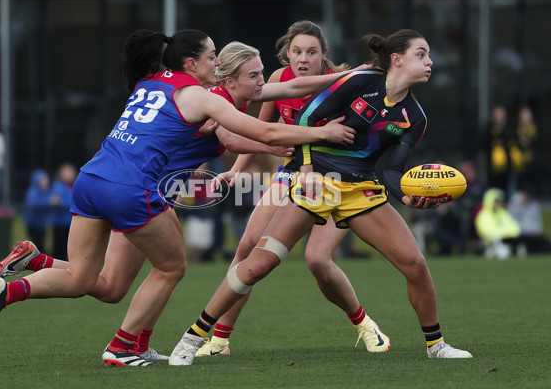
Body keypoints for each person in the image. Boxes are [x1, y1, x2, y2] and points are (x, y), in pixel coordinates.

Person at [0, 31, 356, 367]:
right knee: (171, 268)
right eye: (213, 57)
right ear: (196, 64)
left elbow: (281, 96)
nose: (261, 83)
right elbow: (264, 134)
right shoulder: (206, 98)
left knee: (96, 283)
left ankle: (18, 281)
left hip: (93, 179)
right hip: (133, 190)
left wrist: (350, 76)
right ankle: (122, 348)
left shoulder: (156, 80)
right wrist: (321, 137)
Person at [170, 29, 473, 366]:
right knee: (257, 263)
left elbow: (391, 172)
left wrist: (407, 196)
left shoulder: (415, 118)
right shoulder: (360, 82)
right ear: (397, 60)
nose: (430, 62)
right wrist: (309, 169)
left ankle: (437, 345)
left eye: (428, 55)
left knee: (415, 264)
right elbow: (307, 118)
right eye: (422, 54)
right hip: (317, 180)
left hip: (360, 189)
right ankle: (193, 337)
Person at [195, 20, 388, 358]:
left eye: (311, 52)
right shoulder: (277, 80)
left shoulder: (345, 86)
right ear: (286, 53)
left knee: (317, 260)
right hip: (291, 174)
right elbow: (262, 129)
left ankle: (365, 325)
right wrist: (236, 170)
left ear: (323, 55)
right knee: (246, 248)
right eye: (296, 51)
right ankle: (220, 341)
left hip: (334, 179)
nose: (302, 58)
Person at [475, 188, 523, 259]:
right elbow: (484, 230)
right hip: (493, 240)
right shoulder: (483, 215)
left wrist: (508, 233)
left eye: (498, 201)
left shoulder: (503, 213)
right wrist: (502, 233)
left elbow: (513, 226)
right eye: (495, 201)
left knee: (518, 242)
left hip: (506, 238)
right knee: (502, 250)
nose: (497, 203)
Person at [49, 163, 77, 259]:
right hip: (60, 224)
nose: (70, 174)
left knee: (69, 250)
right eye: (67, 171)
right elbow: (55, 202)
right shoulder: (58, 186)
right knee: (59, 250)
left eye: (71, 171)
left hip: (71, 224)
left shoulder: (74, 186)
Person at [23, 169, 52, 254]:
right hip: (33, 224)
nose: (46, 182)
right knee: (38, 247)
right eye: (43, 180)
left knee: (41, 247)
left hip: (42, 225)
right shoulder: (33, 191)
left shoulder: (46, 191)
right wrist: (48, 202)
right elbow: (33, 204)